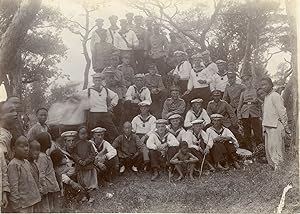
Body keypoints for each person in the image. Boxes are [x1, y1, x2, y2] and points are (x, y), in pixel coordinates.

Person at [260, 77, 291, 170]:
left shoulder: (275, 96)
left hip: (275, 126)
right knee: (269, 149)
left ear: (271, 84)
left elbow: (282, 112)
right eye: (262, 85)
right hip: (268, 126)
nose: (263, 87)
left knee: (276, 148)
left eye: (265, 84)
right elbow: (266, 113)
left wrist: (286, 127)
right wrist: (264, 128)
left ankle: (279, 169)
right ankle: (273, 167)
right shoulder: (266, 97)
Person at [80, 72, 119, 142]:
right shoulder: (89, 90)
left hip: (104, 113)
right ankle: (91, 146)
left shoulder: (106, 90)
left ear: (101, 81)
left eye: (99, 80)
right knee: (91, 132)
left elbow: (115, 96)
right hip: (93, 114)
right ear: (93, 81)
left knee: (113, 131)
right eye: (96, 80)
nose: (97, 82)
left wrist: (111, 106)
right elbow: (78, 96)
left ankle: (115, 146)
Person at [7, 136, 41, 212]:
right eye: (22, 146)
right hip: (22, 206)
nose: (26, 149)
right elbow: (13, 187)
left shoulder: (26, 162)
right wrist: (16, 205)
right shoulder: (13, 165)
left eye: (27, 146)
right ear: (13, 148)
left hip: (31, 202)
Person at [70, 126, 97, 203]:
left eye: (85, 133)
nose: (83, 135)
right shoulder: (76, 144)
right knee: (81, 182)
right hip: (80, 166)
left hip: (88, 167)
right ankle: (84, 196)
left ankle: (91, 197)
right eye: (82, 134)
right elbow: (73, 154)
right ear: (78, 134)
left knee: (89, 182)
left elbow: (93, 154)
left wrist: (86, 161)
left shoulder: (89, 143)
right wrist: (79, 160)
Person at [237, 74, 263, 152]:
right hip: (245, 114)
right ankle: (249, 151)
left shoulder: (256, 91)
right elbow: (239, 106)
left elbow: (262, 102)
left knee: (257, 133)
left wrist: (257, 99)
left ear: (250, 79)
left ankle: (260, 151)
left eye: (247, 79)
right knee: (246, 134)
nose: (246, 82)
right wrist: (239, 116)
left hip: (254, 113)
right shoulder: (243, 93)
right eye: (244, 81)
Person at [36, 132, 60, 212]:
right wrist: (43, 188)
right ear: (45, 143)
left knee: (53, 206)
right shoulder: (42, 157)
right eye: (49, 140)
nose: (51, 142)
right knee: (48, 208)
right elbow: (41, 174)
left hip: (51, 186)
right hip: (48, 188)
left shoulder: (45, 156)